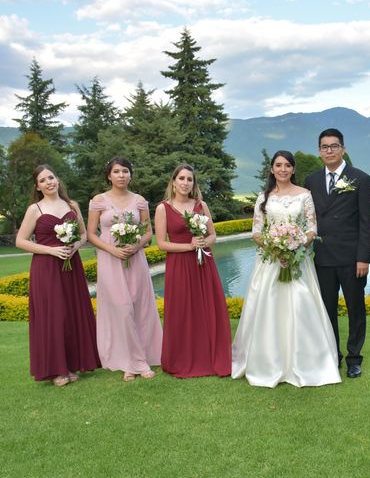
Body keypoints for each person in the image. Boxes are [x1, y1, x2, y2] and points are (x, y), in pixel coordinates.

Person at [232, 151, 341, 387]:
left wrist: (295, 246)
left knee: (301, 305)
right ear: (271, 169)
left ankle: (308, 363)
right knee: (268, 307)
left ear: (293, 169)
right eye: (278, 165)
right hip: (270, 261)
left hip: (298, 261)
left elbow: (312, 228)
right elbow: (257, 232)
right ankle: (266, 362)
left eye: (287, 165)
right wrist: (275, 248)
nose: (283, 169)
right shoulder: (264, 197)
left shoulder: (305, 195)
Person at [16, 165, 101, 386]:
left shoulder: (71, 205)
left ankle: (73, 365)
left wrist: (75, 245)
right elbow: (20, 241)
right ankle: (57, 371)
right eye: (43, 180)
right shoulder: (35, 209)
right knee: (53, 315)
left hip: (71, 264)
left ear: (57, 179)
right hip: (46, 267)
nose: (49, 182)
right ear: (37, 186)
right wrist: (51, 250)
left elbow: (83, 234)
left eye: (51, 177)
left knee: (72, 312)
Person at [304, 129, 370, 378]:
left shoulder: (360, 179)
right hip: (322, 258)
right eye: (324, 147)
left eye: (334, 146)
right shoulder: (311, 180)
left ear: (343, 149)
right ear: (319, 150)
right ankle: (333, 356)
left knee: (356, 308)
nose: (329, 151)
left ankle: (354, 358)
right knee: (327, 310)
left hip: (351, 257)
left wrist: (363, 258)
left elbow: (367, 223)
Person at [87, 157, 162, 382]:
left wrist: (137, 244)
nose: (121, 175)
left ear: (131, 174)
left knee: (139, 307)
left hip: (135, 259)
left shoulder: (140, 201)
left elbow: (149, 232)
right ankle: (134, 361)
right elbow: (91, 234)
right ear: (109, 176)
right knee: (121, 308)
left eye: (126, 171)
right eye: (117, 171)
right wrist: (112, 249)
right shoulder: (98, 201)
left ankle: (137, 358)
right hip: (110, 260)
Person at [155, 164, 232, 378]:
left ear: (193, 183)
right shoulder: (163, 208)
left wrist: (203, 242)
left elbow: (213, 236)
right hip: (179, 265)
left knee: (206, 308)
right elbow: (161, 243)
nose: (185, 183)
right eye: (181, 178)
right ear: (173, 181)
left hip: (203, 264)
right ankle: (183, 358)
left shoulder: (201, 205)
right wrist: (189, 246)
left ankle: (209, 355)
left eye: (189, 179)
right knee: (182, 310)